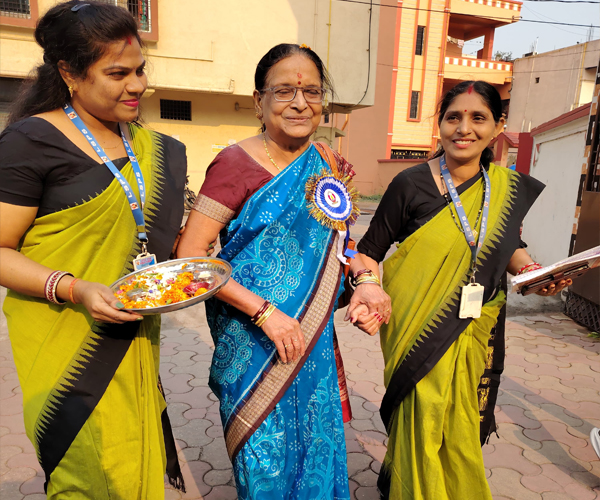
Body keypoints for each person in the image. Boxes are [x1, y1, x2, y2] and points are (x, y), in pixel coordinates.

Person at [177, 43, 391, 499]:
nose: (300, 103)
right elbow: (192, 258)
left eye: (311, 91)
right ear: (259, 101)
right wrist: (266, 313)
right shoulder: (234, 164)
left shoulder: (328, 163)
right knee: (267, 466)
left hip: (311, 340)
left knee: (317, 451)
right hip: (254, 339)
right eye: (284, 91)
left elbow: (341, 244)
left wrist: (367, 283)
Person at [0, 2, 187, 497]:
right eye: (118, 74)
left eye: (140, 70)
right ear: (69, 74)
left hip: (133, 337)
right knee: (88, 472)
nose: (137, 85)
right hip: (69, 346)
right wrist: (74, 287)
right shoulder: (30, 141)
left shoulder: (153, 146)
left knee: (132, 467)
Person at [356, 80, 571, 500]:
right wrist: (368, 287)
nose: (464, 128)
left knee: (458, 418)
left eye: (478, 118)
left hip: (474, 325)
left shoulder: (505, 188)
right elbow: (367, 253)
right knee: (422, 411)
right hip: (418, 324)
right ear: (439, 124)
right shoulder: (410, 183)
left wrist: (535, 274)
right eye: (453, 117)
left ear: (497, 127)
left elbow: (508, 247)